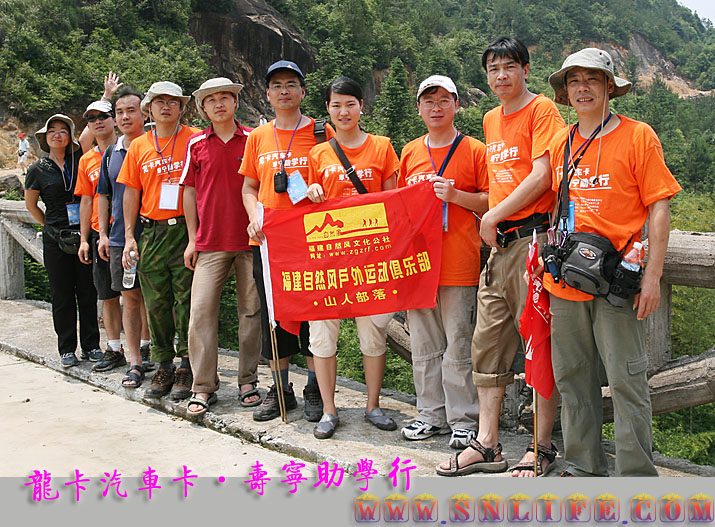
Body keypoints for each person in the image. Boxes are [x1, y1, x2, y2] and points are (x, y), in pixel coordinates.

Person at [542, 48, 680, 477]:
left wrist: (652, 277)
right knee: (573, 378)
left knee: (626, 381)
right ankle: (583, 466)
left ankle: (636, 476)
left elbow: (659, 208)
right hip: (566, 281)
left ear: (609, 88)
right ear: (566, 91)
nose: (582, 87)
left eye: (593, 79)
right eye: (575, 80)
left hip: (620, 281)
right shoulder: (560, 142)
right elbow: (549, 204)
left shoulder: (639, 136)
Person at [438, 37, 566, 477]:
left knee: (538, 343)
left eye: (509, 67)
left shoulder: (542, 110)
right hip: (498, 246)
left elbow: (543, 174)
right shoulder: (492, 119)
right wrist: (483, 212)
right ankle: (487, 444)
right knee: (487, 344)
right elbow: (498, 182)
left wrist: (492, 213)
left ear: (525, 69)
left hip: (534, 241)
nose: (501, 76)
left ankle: (540, 445)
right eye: (493, 69)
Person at [305, 76, 400, 439]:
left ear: (362, 106)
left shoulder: (382, 147)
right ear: (327, 109)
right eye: (336, 105)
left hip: (371, 259)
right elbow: (307, 207)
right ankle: (330, 410)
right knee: (323, 335)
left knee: (373, 333)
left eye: (350, 104)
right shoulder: (318, 153)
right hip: (328, 259)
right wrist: (310, 191)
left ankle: (372, 405)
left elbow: (395, 204)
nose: (343, 111)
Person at [398, 75, 489, 450]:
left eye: (443, 101)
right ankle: (429, 414)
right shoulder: (410, 152)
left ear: (456, 105)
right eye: (428, 102)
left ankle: (464, 420)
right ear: (419, 108)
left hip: (458, 262)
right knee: (423, 344)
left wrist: (455, 195)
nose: (436, 108)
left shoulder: (474, 150)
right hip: (418, 265)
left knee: (458, 345)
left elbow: (490, 201)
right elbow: (398, 205)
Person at [241, 60, 334, 422]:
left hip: (312, 241)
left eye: (291, 84)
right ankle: (280, 389)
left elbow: (334, 180)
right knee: (273, 317)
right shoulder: (257, 137)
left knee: (312, 315)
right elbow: (249, 186)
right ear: (267, 93)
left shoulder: (321, 133)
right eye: (276, 84)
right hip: (268, 242)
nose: (284, 90)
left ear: (303, 92)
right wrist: (253, 215)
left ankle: (314, 388)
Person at [180, 77, 262, 416]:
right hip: (210, 242)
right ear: (203, 108)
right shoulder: (197, 144)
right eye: (211, 100)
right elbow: (188, 191)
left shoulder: (254, 140)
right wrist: (191, 238)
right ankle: (203, 386)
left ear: (235, 102)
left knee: (251, 313)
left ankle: (247, 381)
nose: (219, 104)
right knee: (200, 313)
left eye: (225, 97)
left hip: (250, 241)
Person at [117, 81, 200, 399]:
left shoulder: (194, 139)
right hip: (150, 232)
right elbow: (131, 192)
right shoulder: (139, 145)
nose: (166, 107)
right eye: (159, 102)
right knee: (156, 302)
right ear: (148, 108)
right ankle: (163, 364)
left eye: (173, 102)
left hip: (185, 231)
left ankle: (187, 365)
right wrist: (128, 236)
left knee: (187, 302)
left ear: (182, 107)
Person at [24, 115, 101, 367]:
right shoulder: (37, 169)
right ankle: (67, 348)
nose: (57, 135)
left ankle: (91, 345)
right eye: (52, 131)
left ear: (70, 137)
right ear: (45, 138)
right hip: (55, 238)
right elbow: (31, 204)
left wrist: (106, 96)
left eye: (63, 131)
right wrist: (48, 226)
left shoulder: (78, 160)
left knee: (88, 291)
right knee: (62, 294)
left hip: (84, 235)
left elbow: (91, 129)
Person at [96, 86, 155, 387]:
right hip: (121, 238)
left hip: (157, 235)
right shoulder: (111, 152)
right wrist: (103, 234)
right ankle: (135, 362)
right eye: (119, 112)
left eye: (131, 110)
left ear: (144, 113)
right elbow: (102, 195)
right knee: (129, 298)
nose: (124, 116)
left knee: (162, 298)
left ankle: (162, 354)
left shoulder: (156, 146)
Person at [75, 101, 124, 374]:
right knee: (107, 295)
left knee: (135, 295)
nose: (98, 121)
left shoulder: (129, 149)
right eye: (92, 118)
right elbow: (85, 200)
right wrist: (85, 238)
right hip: (98, 234)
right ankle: (115, 347)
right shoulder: (86, 160)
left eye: (103, 116)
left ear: (114, 119)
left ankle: (144, 347)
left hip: (128, 232)